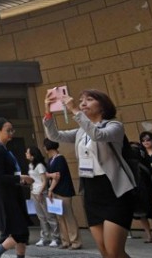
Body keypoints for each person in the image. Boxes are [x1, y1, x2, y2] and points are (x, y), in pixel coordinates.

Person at [45, 88, 136, 258]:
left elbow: (98, 135)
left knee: (114, 251)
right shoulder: (81, 131)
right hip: (91, 190)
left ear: (102, 106)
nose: (83, 103)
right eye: (81, 100)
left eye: (89, 100)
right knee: (104, 252)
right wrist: (48, 112)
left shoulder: (114, 126)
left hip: (114, 189)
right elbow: (55, 136)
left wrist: (75, 110)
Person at [0, 118, 32, 258]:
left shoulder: (3, 148)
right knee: (19, 231)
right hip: (7, 196)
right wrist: (20, 178)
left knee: (22, 231)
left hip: (12, 191)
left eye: (12, 130)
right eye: (8, 130)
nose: (11, 133)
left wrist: (19, 180)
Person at [43, 138, 82, 249]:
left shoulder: (60, 159)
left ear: (48, 147)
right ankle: (65, 241)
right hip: (55, 191)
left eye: (44, 146)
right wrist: (51, 176)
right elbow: (50, 175)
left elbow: (57, 176)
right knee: (60, 218)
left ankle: (75, 241)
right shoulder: (51, 160)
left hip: (63, 191)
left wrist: (50, 187)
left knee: (68, 216)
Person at [26, 145, 59, 247]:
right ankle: (44, 237)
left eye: (27, 152)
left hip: (42, 192)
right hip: (34, 192)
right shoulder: (31, 165)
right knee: (41, 217)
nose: (26, 154)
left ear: (32, 155)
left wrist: (40, 192)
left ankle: (56, 237)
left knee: (49, 216)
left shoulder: (40, 166)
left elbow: (44, 181)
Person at [129, 138, 152, 243]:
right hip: (137, 189)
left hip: (149, 188)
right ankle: (149, 235)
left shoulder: (146, 160)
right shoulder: (129, 164)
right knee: (141, 214)